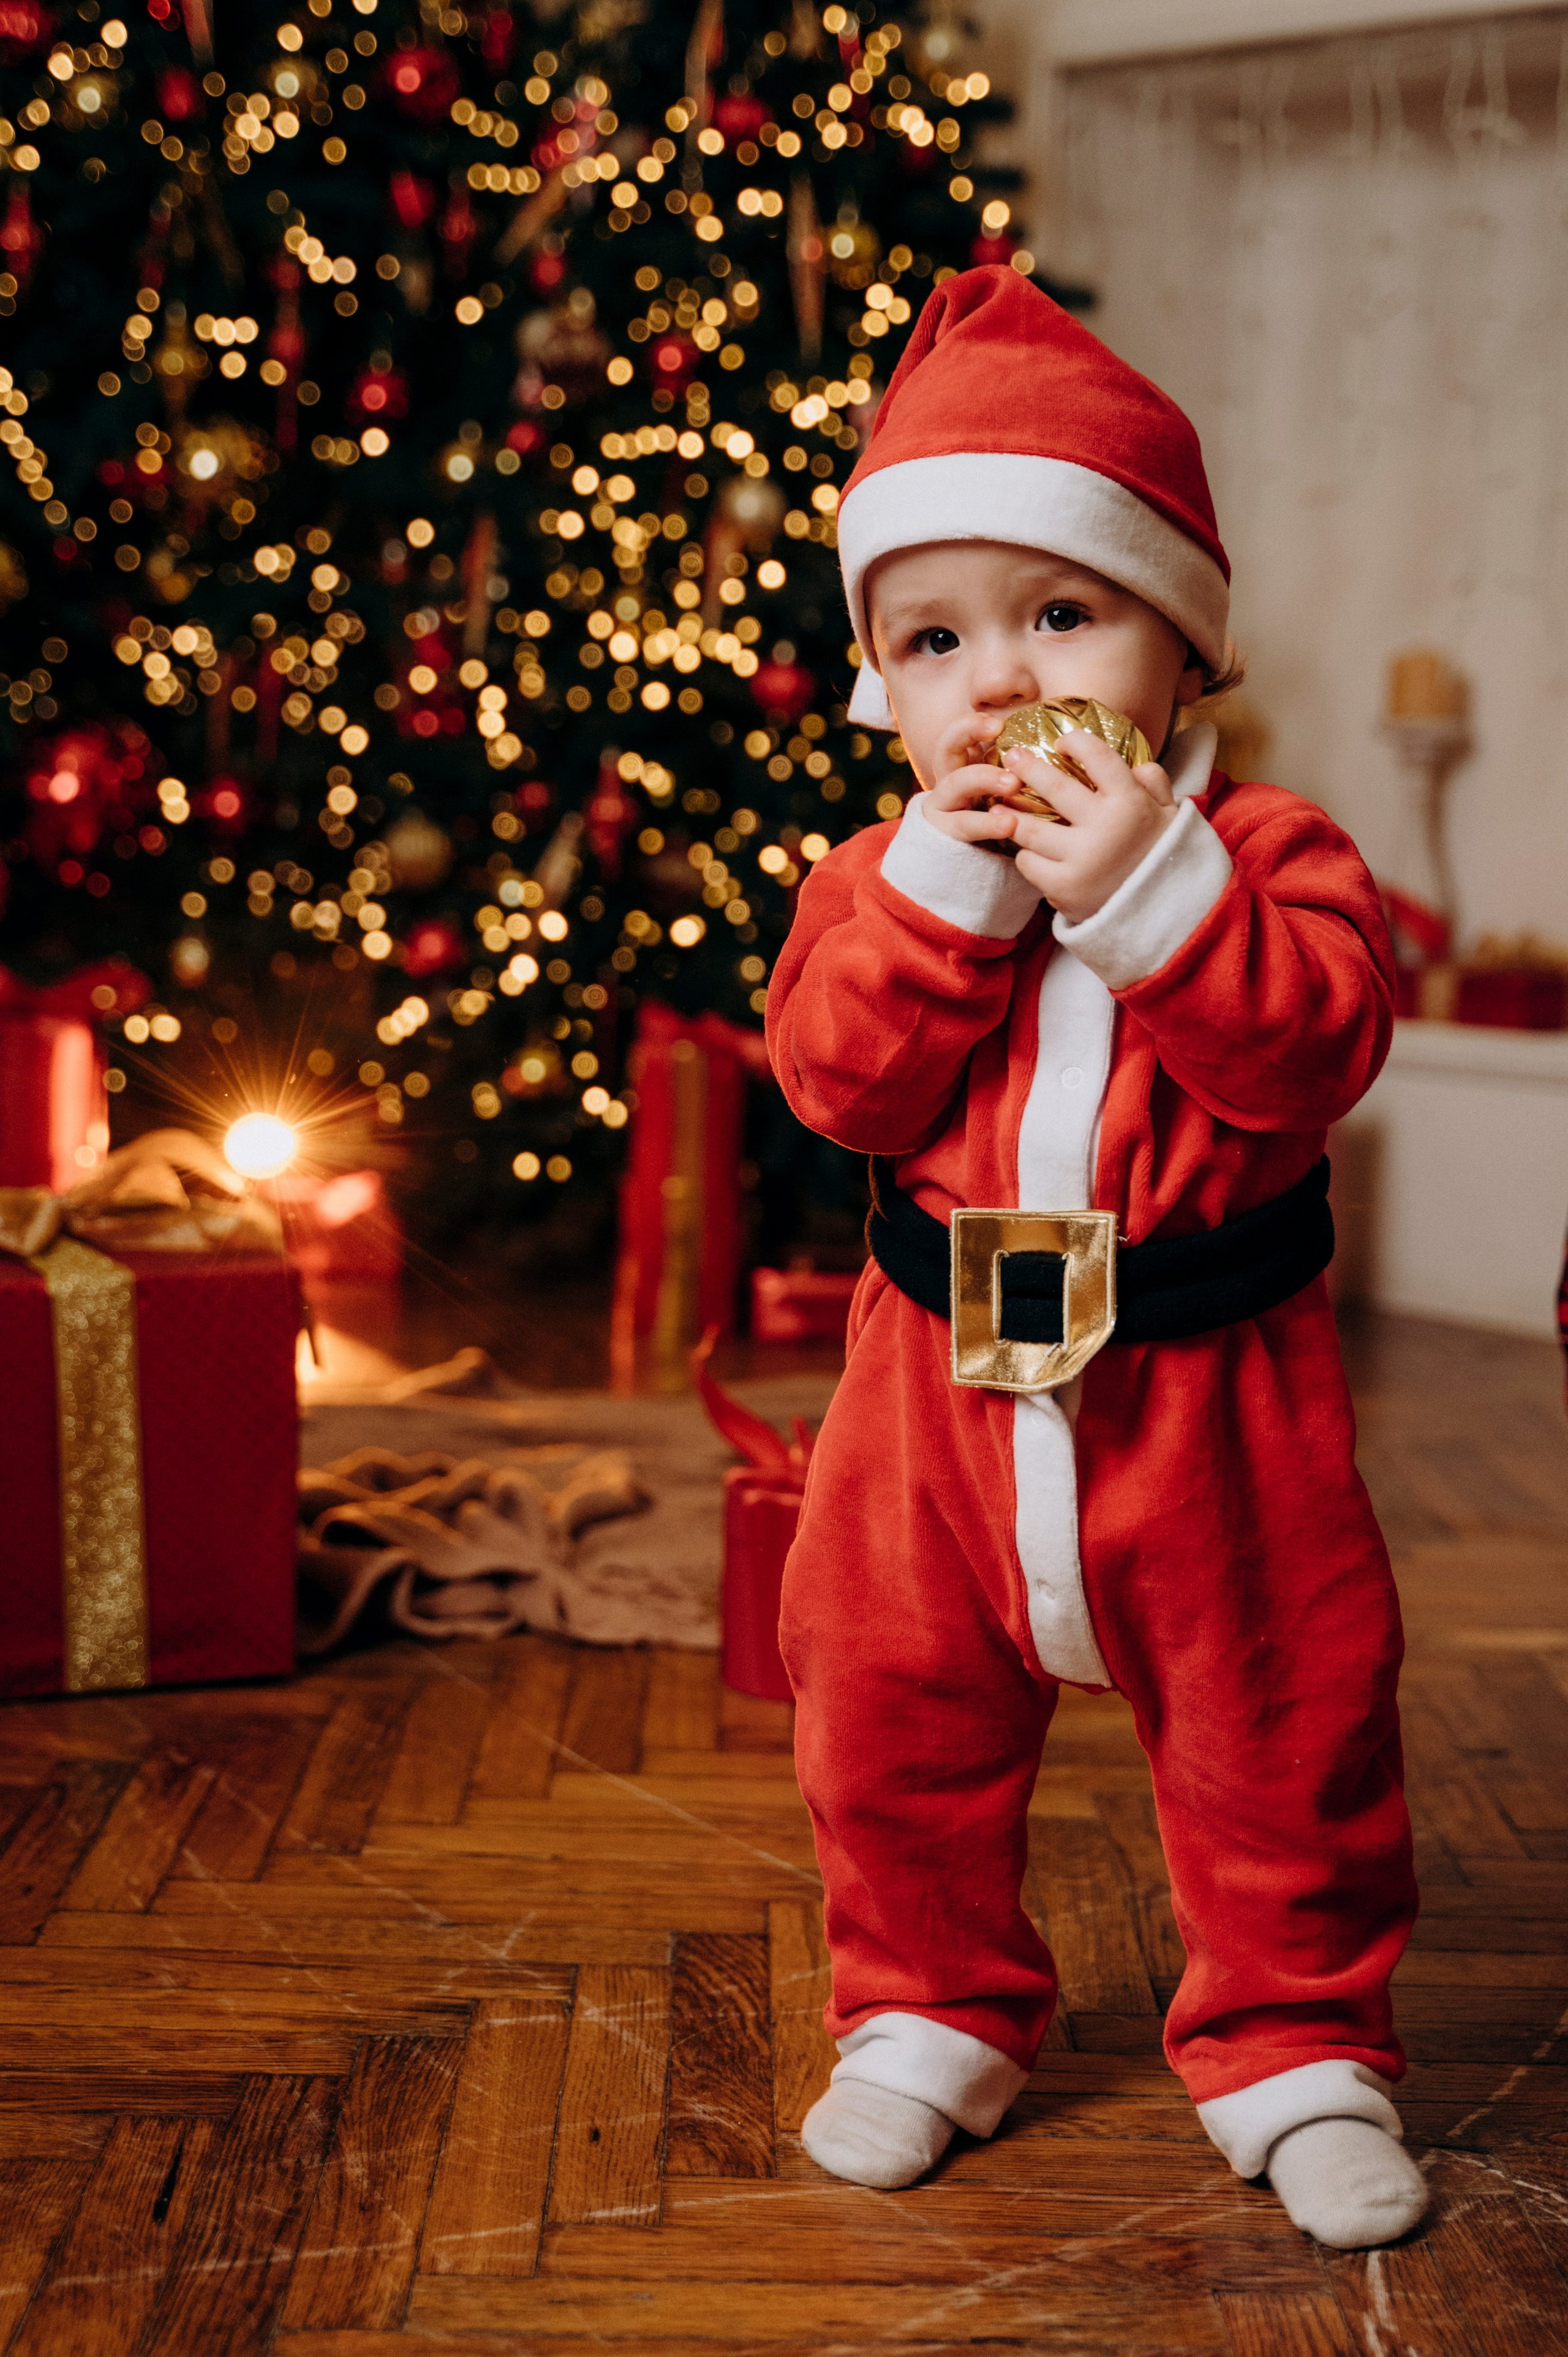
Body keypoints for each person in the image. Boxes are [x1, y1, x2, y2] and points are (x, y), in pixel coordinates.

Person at [766, 266, 1427, 2252]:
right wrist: (954, 899)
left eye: (1065, 613)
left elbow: (1311, 1049)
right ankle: (924, 2009)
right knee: (884, 1708)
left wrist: (1147, 890)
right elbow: (840, 1088)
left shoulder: (1277, 853)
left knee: (1280, 1720)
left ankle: (1303, 2042)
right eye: (937, 637)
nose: (1001, 681)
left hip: (1215, 1400)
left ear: (1183, 648)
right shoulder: (877, 880)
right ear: (882, 681)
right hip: (927, 1398)